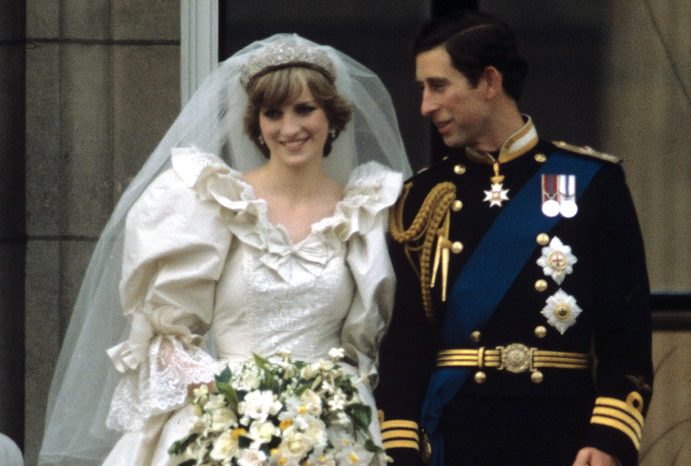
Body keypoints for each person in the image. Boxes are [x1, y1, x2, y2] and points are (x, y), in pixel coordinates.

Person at [38, 34, 412, 466]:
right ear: (256, 123)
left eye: (304, 109)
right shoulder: (210, 202)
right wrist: (231, 393)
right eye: (273, 113)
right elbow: (164, 337)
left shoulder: (367, 212)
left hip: (334, 429)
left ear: (332, 115)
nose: (289, 129)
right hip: (223, 425)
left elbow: (381, 338)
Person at [376, 12, 653, 466]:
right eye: (422, 89)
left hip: (563, 437)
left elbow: (627, 335)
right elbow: (405, 346)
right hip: (454, 437)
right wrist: (402, 448)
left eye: (438, 86)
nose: (425, 105)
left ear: (488, 81)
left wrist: (608, 438)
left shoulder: (591, 181)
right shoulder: (423, 197)